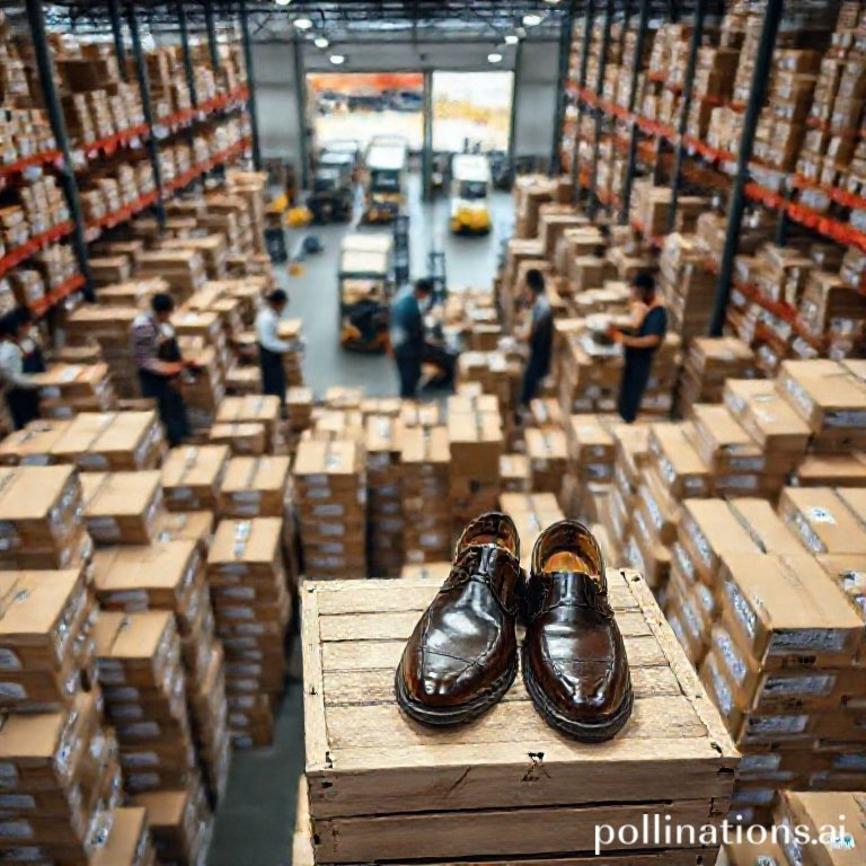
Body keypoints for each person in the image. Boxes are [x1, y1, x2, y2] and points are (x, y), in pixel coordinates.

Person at [132, 292, 192, 447]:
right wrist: (169, 370)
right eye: (169, 313)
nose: (169, 317)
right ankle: (172, 444)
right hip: (153, 377)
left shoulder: (163, 324)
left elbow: (170, 347)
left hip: (168, 372)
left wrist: (180, 369)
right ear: (162, 312)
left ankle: (183, 435)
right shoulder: (143, 328)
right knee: (165, 411)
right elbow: (145, 360)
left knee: (177, 404)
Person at [610, 271, 668, 424]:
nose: (634, 294)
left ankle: (627, 421)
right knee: (624, 390)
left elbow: (652, 340)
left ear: (648, 291)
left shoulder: (658, 312)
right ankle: (620, 416)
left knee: (632, 392)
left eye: (637, 292)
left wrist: (626, 340)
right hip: (631, 354)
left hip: (641, 358)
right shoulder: (642, 305)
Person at [390, 278, 432, 399]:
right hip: (407, 348)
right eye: (426, 295)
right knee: (409, 378)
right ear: (421, 292)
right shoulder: (411, 309)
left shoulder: (405, 298)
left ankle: (407, 398)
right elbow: (415, 332)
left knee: (407, 376)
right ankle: (407, 402)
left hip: (398, 344)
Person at [0, 309, 42, 430]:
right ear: (19, 327)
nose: (30, 328)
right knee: (24, 425)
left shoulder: (26, 341)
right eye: (28, 325)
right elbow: (13, 378)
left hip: (29, 391)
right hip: (14, 395)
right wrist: (38, 382)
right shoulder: (5, 352)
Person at [520, 268, 553, 406]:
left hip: (540, 353)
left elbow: (529, 333)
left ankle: (526, 405)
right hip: (542, 351)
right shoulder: (542, 300)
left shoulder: (541, 306)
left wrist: (520, 336)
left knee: (529, 379)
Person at [255, 288, 291, 405]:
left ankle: (280, 404)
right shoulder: (266, 319)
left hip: (272, 351)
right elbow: (268, 342)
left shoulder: (272, 314)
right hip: (268, 353)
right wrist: (287, 347)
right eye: (283, 305)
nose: (284, 308)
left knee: (279, 379)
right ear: (277, 303)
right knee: (273, 382)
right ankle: (274, 407)